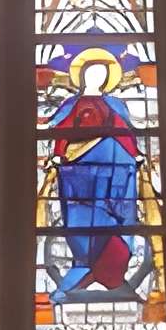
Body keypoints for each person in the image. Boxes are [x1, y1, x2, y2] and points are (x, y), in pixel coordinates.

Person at [44, 47, 143, 297]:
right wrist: (58, 153)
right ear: (83, 76)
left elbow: (124, 131)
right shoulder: (71, 105)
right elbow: (61, 132)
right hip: (79, 172)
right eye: (92, 73)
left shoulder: (114, 105)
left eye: (102, 74)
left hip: (113, 169)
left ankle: (111, 274)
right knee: (82, 217)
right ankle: (84, 266)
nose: (96, 78)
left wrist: (134, 153)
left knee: (112, 218)